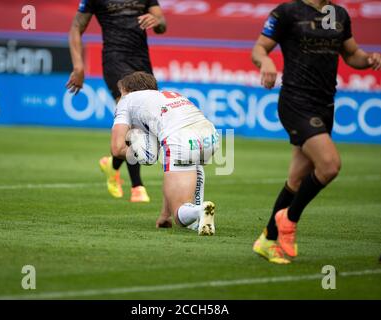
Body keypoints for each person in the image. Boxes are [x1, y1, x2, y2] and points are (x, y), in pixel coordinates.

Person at [251, 0, 381, 264]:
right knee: (330, 165)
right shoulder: (287, 12)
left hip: (325, 105)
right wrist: (265, 63)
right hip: (296, 102)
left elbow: (351, 54)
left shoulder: (339, 14)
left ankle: (266, 240)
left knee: (297, 179)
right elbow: (259, 48)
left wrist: (368, 59)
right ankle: (289, 219)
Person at [66, 0, 167, 202]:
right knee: (132, 116)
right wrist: (78, 66)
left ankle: (112, 165)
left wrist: (156, 21)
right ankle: (137, 186)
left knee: (146, 120)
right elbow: (76, 27)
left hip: (141, 62)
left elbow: (162, 25)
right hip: (114, 61)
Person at [111, 71, 220, 235]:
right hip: (210, 136)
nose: (120, 97)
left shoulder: (127, 101)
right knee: (185, 163)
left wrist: (144, 156)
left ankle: (198, 210)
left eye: (121, 93)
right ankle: (198, 214)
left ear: (129, 90)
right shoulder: (168, 96)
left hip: (180, 139)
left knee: (179, 214)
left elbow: (117, 148)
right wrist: (164, 215)